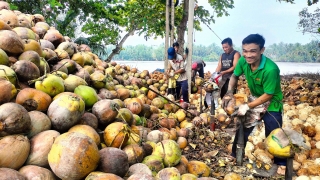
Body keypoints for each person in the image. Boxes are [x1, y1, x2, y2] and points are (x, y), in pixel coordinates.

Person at [222, 34, 286, 175]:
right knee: (243, 125)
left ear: (262, 50)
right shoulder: (243, 61)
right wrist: (229, 92)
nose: (248, 55)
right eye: (245, 51)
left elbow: (268, 94)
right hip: (255, 98)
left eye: (252, 51)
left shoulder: (270, 69)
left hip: (271, 102)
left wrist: (248, 106)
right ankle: (235, 154)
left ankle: (281, 163)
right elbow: (234, 76)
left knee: (274, 132)